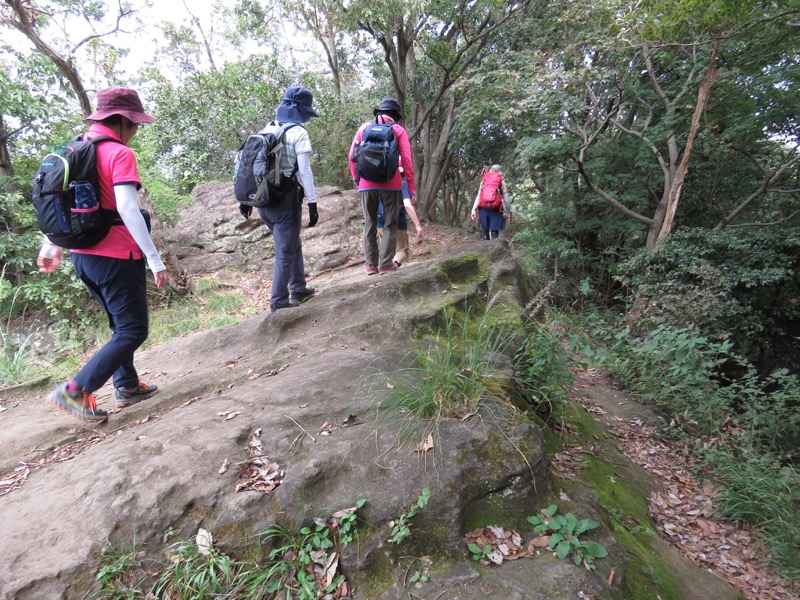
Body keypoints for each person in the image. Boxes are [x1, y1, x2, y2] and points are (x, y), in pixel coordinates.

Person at [37, 87, 168, 423]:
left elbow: (57, 202)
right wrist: (154, 259)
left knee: (118, 325)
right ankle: (76, 390)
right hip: (116, 254)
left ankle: (126, 386)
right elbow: (127, 208)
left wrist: (51, 246)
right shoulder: (117, 153)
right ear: (123, 121)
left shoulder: (75, 149)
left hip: (83, 256)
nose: (137, 131)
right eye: (136, 124)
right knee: (133, 329)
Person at [242, 86, 320, 312]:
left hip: (262, 200)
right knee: (285, 251)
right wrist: (312, 202)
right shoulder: (299, 133)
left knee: (292, 243)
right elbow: (304, 172)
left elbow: (248, 165)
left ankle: (299, 287)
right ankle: (279, 302)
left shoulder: (268, 128)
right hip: (284, 200)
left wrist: (245, 200)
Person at [349, 98, 416, 275]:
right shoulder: (398, 130)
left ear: (379, 112)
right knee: (390, 223)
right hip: (391, 184)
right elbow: (407, 161)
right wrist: (410, 187)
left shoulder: (364, 128)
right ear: (395, 116)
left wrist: (357, 178)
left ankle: (371, 265)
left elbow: (351, 156)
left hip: (365, 184)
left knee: (369, 223)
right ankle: (386, 264)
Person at [376, 162, 422, 267]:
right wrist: (417, 225)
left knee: (386, 248)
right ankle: (394, 265)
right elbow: (407, 205)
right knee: (403, 250)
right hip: (397, 220)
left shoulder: (379, 183)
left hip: (380, 220)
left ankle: (384, 266)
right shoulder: (402, 183)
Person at [470, 164, 512, 240]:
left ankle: (484, 250)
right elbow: (506, 200)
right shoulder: (502, 182)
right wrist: (508, 212)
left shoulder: (484, 181)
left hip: (483, 209)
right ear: (500, 172)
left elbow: (479, 196)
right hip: (495, 209)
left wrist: (473, 210)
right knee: (494, 232)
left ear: (491, 171)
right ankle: (494, 249)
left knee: (485, 232)